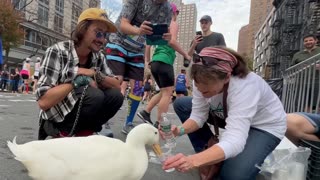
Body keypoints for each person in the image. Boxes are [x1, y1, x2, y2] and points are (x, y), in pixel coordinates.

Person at [163, 47, 286, 179]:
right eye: (199, 89)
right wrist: (179, 130)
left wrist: (193, 160)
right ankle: (209, 153)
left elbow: (235, 139)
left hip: (263, 126)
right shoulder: (201, 78)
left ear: (227, 77)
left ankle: (222, 156)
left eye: (206, 92)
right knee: (182, 105)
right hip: (228, 114)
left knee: (233, 176)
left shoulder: (245, 86)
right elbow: (198, 115)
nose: (202, 94)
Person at [36, 8, 123, 140]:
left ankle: (86, 132)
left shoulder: (98, 57)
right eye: (98, 33)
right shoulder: (57, 51)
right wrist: (77, 80)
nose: (103, 40)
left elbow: (117, 85)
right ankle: (62, 133)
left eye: (105, 35)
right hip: (56, 116)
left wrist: (94, 73)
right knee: (94, 95)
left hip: (81, 110)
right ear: (82, 30)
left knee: (115, 96)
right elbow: (43, 101)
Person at [105, 0, 172, 134]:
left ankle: (128, 123)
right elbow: (122, 25)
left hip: (137, 49)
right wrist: (139, 30)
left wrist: (166, 37)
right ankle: (102, 120)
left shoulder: (168, 9)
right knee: (114, 82)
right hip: (118, 41)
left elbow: (160, 36)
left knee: (137, 87)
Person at [137, 3, 191, 126]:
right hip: (165, 61)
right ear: (174, 13)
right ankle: (160, 123)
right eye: (177, 13)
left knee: (162, 92)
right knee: (168, 93)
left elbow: (148, 44)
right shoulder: (173, 23)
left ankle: (146, 111)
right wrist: (185, 55)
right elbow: (171, 41)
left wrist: (148, 61)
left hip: (155, 61)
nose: (177, 15)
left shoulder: (160, 26)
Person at [291, 34, 320, 112]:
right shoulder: (297, 55)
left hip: (317, 82)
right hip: (301, 83)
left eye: (310, 40)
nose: (308, 42)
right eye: (306, 41)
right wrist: (298, 68)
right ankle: (307, 121)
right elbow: (292, 69)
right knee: (303, 104)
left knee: (317, 104)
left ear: (315, 41)